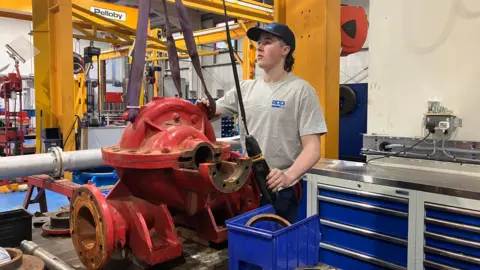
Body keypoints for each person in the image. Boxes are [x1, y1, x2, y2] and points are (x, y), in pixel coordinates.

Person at [197, 22, 327, 223]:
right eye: (258, 43)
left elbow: (313, 148)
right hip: (244, 184)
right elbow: (211, 112)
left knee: (278, 246)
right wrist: (205, 106)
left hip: (279, 188)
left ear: (285, 50)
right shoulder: (245, 89)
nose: (259, 47)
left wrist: (288, 177)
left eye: (267, 42)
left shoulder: (301, 91)